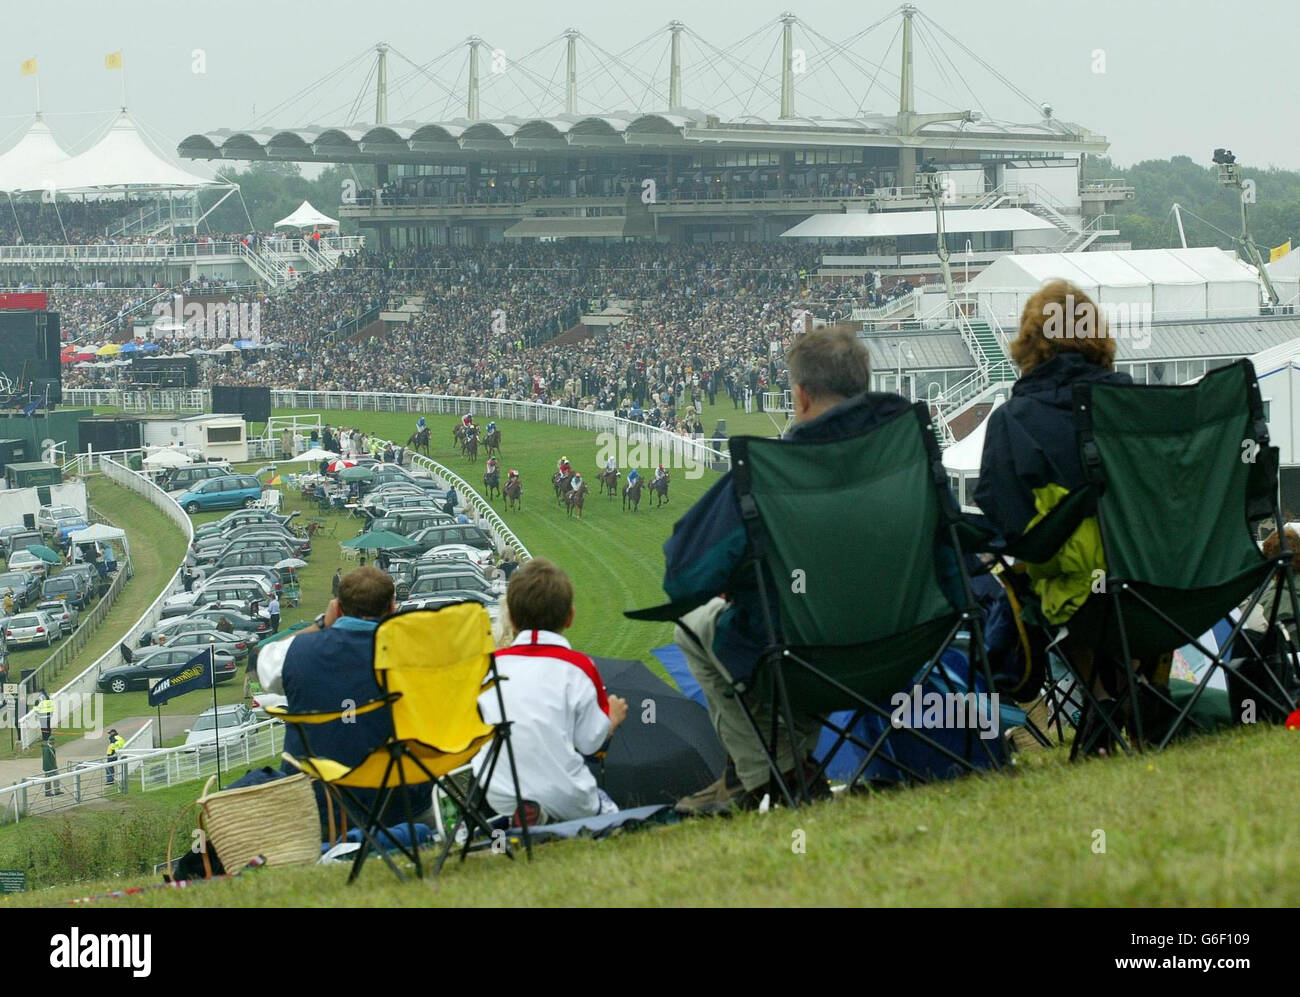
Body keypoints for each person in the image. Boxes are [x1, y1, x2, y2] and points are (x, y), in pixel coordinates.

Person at [661, 326, 912, 815]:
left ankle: (772, 776)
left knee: (692, 629)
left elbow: (683, 575)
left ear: (799, 396)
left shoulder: (770, 466)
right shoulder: (909, 450)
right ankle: (774, 770)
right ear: (862, 384)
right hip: (909, 642)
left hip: (803, 656)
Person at [975, 280, 1136, 747]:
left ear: (1028, 342)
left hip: (1077, 596)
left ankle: (1106, 702)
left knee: (1045, 568)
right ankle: (1139, 693)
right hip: (1165, 581)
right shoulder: (1139, 402)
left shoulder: (1014, 419)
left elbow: (1012, 527)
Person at [256, 567, 426, 831]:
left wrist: (321, 624)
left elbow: (265, 664)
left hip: (318, 803)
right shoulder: (417, 653)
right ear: (393, 608)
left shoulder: (297, 652)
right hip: (401, 796)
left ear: (338, 608)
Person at [476, 558, 628, 825]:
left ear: (510, 618)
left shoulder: (488, 667)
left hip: (494, 788)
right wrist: (611, 720)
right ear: (570, 617)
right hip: (564, 792)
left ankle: (519, 819)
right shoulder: (579, 666)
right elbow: (590, 743)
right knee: (609, 812)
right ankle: (542, 815)